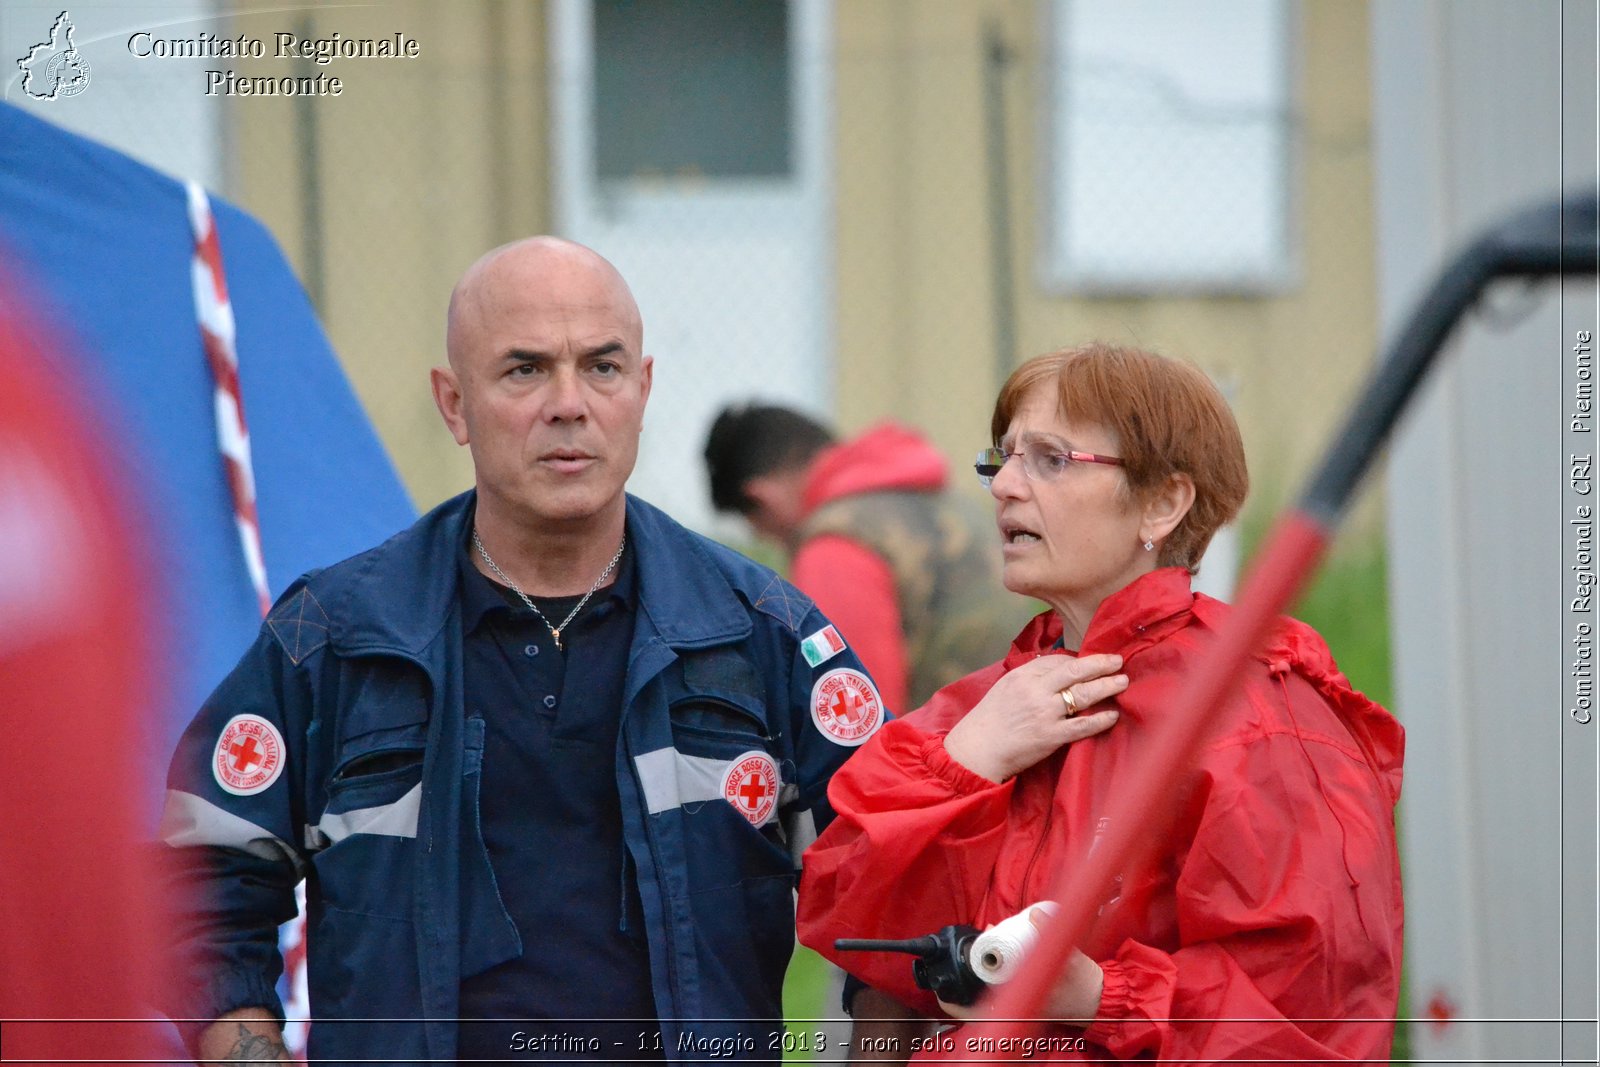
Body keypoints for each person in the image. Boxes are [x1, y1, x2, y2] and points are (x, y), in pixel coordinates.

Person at [157, 237, 887, 1064]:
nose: (569, 403)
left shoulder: (764, 634)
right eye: (524, 370)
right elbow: (199, 879)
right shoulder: (333, 638)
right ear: (454, 403)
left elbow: (896, 877)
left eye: (603, 368)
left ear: (643, 390)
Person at [796, 343, 1405, 1063]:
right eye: (1004, 458)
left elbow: (1309, 1016)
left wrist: (1099, 996)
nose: (1004, 487)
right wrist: (966, 761)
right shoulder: (982, 707)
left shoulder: (1257, 717)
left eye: (1051, 459)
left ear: (1163, 502)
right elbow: (844, 912)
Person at [703, 407, 1032, 717]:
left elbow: (860, 716)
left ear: (762, 497)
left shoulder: (835, 545)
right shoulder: (957, 507)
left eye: (757, 527)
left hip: (946, 760)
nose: (769, 540)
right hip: (1025, 727)